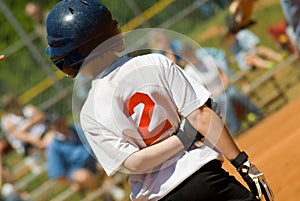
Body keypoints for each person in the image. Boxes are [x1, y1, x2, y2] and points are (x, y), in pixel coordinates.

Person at [45, 1, 274, 201]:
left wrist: (183, 137)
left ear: (67, 62)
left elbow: (134, 163)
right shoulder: (155, 62)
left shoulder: (89, 113)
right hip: (205, 177)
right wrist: (243, 164)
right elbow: (202, 116)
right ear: (114, 34)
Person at [181, 46, 263, 135]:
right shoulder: (189, 71)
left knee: (235, 93)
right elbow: (202, 90)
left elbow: (222, 73)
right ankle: (235, 128)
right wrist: (217, 93)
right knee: (224, 100)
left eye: (191, 53)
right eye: (188, 56)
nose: (191, 56)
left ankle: (258, 113)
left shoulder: (207, 59)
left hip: (226, 88)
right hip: (212, 96)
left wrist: (225, 84)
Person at [45, 114, 101, 191]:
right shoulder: (54, 147)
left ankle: (112, 186)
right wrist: (71, 184)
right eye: (57, 124)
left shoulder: (77, 128)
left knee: (103, 161)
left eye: (61, 121)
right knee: (83, 177)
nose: (61, 124)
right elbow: (57, 172)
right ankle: (105, 194)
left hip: (94, 159)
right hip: (78, 169)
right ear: (52, 128)